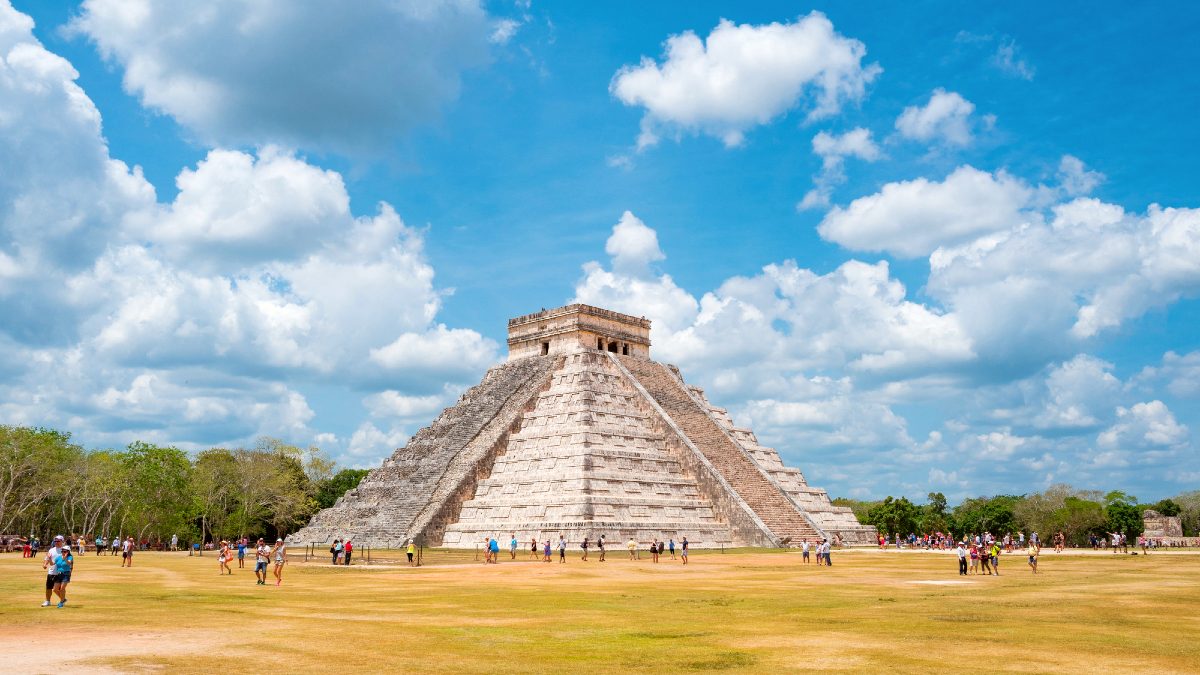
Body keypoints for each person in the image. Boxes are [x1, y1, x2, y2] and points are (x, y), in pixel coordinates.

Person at [41, 535, 65, 607]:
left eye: (58, 541)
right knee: (48, 587)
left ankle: (62, 600)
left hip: (60, 572)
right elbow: (47, 558)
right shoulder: (51, 550)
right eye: (55, 541)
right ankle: (47, 601)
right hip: (51, 572)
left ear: (62, 541)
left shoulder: (65, 550)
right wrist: (45, 564)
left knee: (57, 589)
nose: (56, 542)